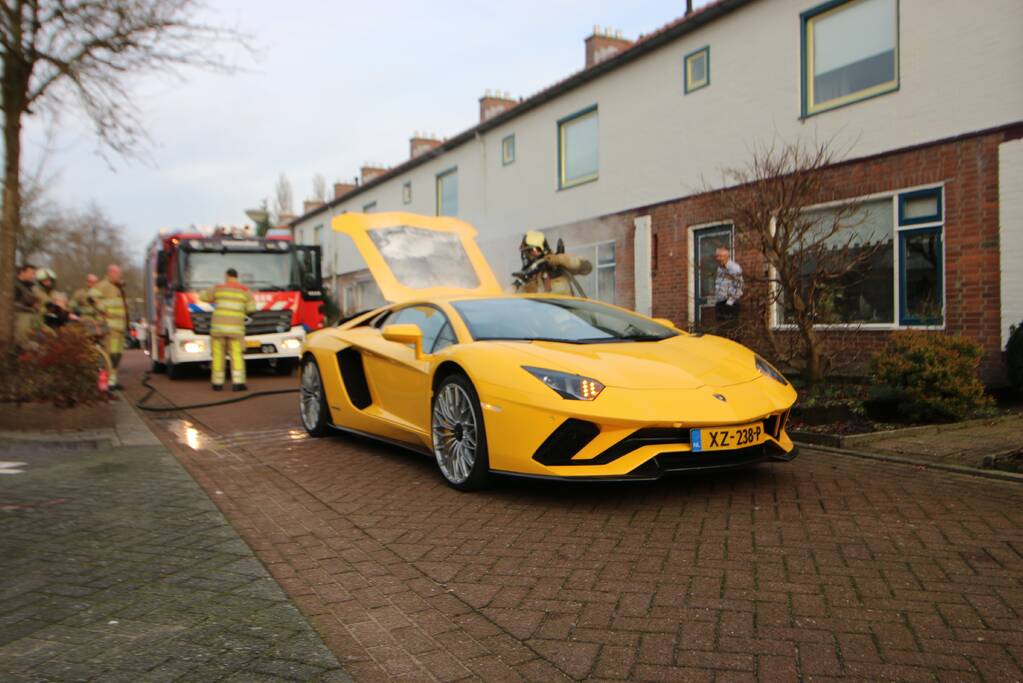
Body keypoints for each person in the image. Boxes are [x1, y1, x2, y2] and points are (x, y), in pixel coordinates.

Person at [200, 268, 256, 391]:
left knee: (218, 355)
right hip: (235, 331)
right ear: (237, 276)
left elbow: (203, 296)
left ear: (226, 276)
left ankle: (217, 384)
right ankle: (238, 383)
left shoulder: (218, 288)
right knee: (236, 355)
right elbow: (251, 309)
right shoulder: (245, 291)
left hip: (218, 329)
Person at [513, 230, 592, 295]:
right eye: (526, 252)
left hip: (567, 309)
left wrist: (559, 259)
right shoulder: (527, 278)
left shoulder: (558, 266)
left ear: (542, 248)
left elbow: (587, 267)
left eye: (532, 250)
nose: (528, 255)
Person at [90, 264, 129, 390]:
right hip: (110, 327)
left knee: (117, 354)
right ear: (110, 273)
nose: (120, 276)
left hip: (120, 327)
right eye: (117, 273)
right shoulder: (103, 285)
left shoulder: (118, 287)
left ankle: (113, 380)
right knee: (110, 354)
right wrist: (103, 308)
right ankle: (107, 380)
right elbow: (91, 296)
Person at [713, 246, 744, 329]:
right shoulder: (719, 269)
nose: (717, 259)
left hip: (730, 304)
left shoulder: (734, 268)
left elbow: (739, 287)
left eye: (720, 256)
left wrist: (729, 303)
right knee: (721, 330)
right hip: (720, 302)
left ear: (726, 256)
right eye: (716, 256)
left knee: (731, 329)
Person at [13, 263, 39, 347]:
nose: (33, 276)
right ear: (22, 272)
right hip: (20, 317)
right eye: (31, 273)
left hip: (31, 317)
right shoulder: (13, 285)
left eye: (34, 274)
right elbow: (10, 304)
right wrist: (27, 305)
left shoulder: (30, 287)